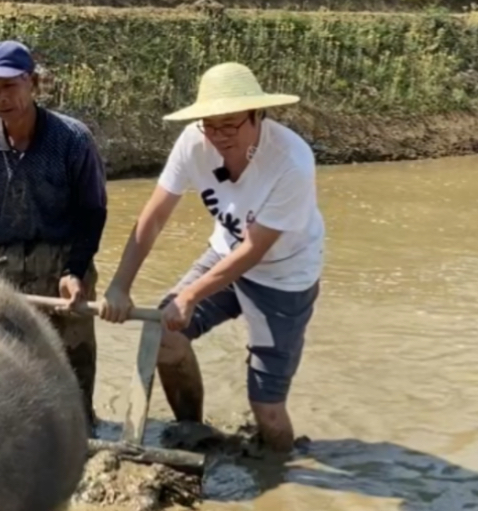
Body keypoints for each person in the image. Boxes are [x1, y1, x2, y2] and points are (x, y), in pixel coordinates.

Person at [99, 62, 325, 453]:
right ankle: (193, 432)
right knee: (164, 339)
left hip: (283, 277)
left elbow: (255, 248)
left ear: (257, 115)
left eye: (230, 125)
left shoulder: (292, 161)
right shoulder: (193, 142)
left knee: (267, 410)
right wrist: (120, 284)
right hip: (223, 254)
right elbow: (154, 216)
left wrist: (189, 297)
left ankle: (279, 471)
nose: (218, 136)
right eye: (210, 125)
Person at [0, 40, 108, 431]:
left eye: (10, 86)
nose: (1, 97)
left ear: (33, 83)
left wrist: (75, 270)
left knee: (74, 368)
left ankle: (80, 434)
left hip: (64, 263)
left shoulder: (71, 139)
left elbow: (93, 211)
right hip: (5, 264)